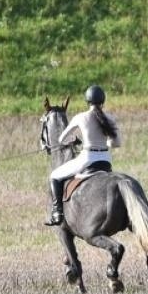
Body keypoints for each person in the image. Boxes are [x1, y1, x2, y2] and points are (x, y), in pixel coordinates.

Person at [47, 84, 119, 225]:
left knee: (54, 176)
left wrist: (73, 140)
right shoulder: (110, 118)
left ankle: (57, 212)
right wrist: (105, 142)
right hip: (106, 160)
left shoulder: (80, 117)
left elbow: (61, 139)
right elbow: (116, 143)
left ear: (87, 101)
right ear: (103, 101)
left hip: (87, 159)